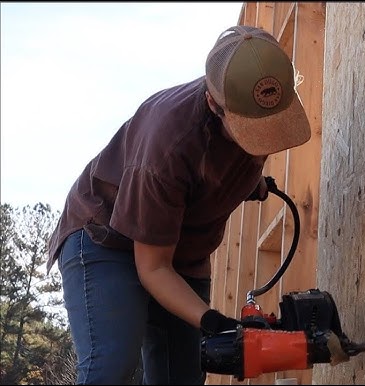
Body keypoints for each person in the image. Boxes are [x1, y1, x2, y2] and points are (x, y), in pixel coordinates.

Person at [46, 25, 312, 385]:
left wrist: (253, 183)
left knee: (182, 377)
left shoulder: (251, 95)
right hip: (105, 238)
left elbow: (230, 159)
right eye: (254, 130)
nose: (265, 141)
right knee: (110, 366)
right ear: (214, 105)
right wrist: (211, 320)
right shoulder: (168, 148)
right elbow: (153, 268)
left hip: (181, 250)